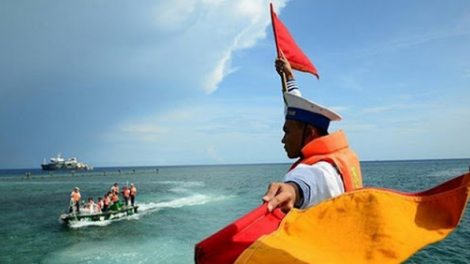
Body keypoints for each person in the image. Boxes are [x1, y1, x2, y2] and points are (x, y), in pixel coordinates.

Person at [262, 57, 363, 213]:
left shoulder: (326, 170)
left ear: (309, 132)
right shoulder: (341, 156)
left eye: (287, 132)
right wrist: (289, 77)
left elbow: (314, 181)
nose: (283, 139)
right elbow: (294, 112)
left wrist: (291, 190)